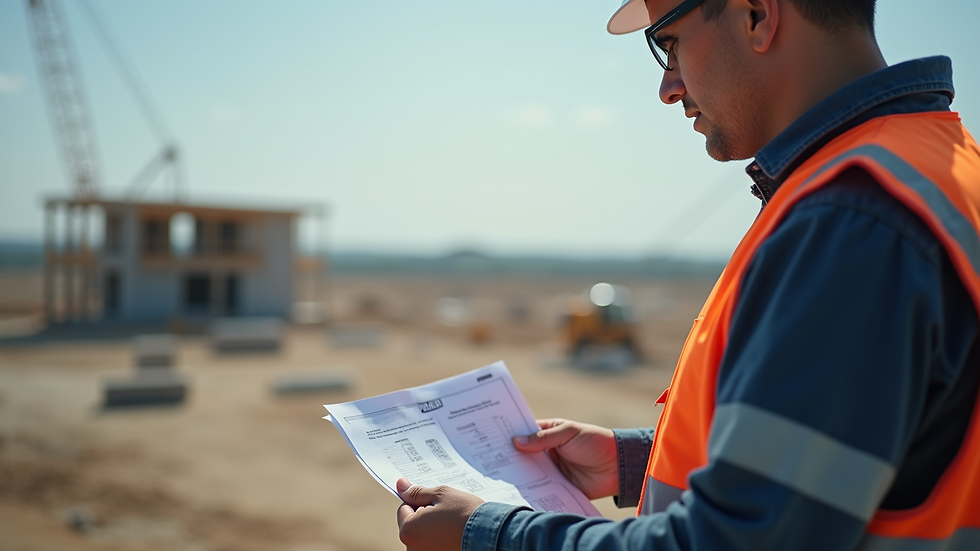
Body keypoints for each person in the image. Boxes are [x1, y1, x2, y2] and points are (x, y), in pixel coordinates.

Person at [395, 0, 980, 549]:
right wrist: (637, 463)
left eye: (669, 43)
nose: (667, 87)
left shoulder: (852, 220)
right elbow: (870, 447)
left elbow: (736, 541)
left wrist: (489, 535)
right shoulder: (931, 168)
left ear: (756, 14)